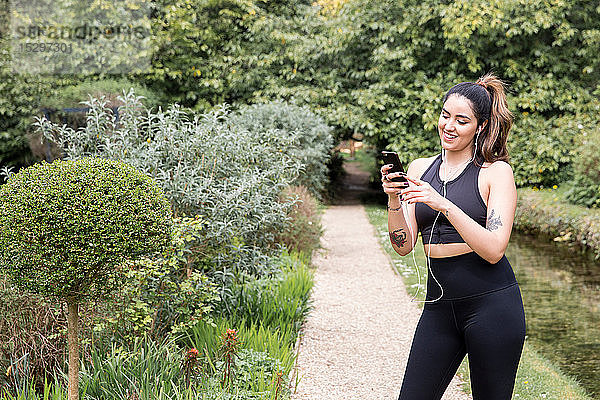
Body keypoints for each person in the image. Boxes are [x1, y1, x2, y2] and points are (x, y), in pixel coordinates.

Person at [381, 73, 526, 400]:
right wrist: (393, 199)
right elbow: (402, 245)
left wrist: (443, 204)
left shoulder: (495, 173)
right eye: (446, 115)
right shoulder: (420, 169)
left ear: (482, 126)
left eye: (462, 120)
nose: (449, 125)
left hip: (493, 308)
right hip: (439, 309)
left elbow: (494, 249)